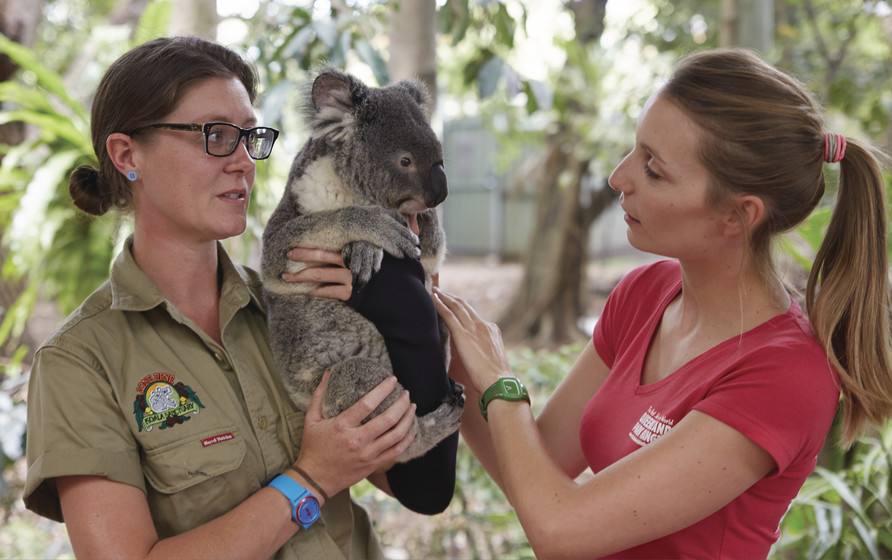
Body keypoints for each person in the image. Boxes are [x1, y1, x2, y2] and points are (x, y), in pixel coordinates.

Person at [432, 49, 892, 558]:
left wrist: (500, 379)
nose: (618, 178)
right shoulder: (645, 293)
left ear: (738, 216)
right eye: (634, 149)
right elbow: (536, 471)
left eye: (653, 169)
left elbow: (560, 530)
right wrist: (430, 329)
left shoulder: (784, 374)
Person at [23, 36, 421, 560]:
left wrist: (409, 309)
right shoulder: (81, 363)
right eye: (215, 135)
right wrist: (310, 479)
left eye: (249, 137)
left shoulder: (297, 303)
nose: (243, 162)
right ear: (127, 155)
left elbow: (408, 480)